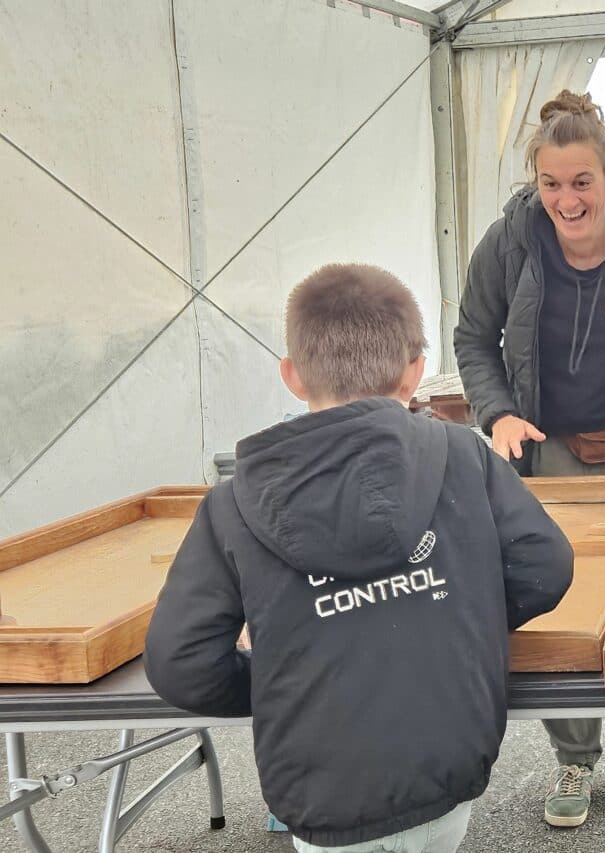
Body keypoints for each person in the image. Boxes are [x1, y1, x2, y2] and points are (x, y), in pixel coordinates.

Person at [145, 264, 574, 853]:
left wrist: (279, 678)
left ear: (292, 377)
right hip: (447, 763)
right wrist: (460, 622)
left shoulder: (231, 504)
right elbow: (545, 565)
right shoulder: (463, 456)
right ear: (414, 373)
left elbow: (181, 663)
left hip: (320, 787)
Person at [454, 89, 605, 829]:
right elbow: (472, 337)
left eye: (581, 182)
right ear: (536, 182)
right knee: (565, 602)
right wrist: (496, 413)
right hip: (546, 453)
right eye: (551, 183)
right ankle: (573, 753)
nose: (566, 198)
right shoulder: (508, 241)